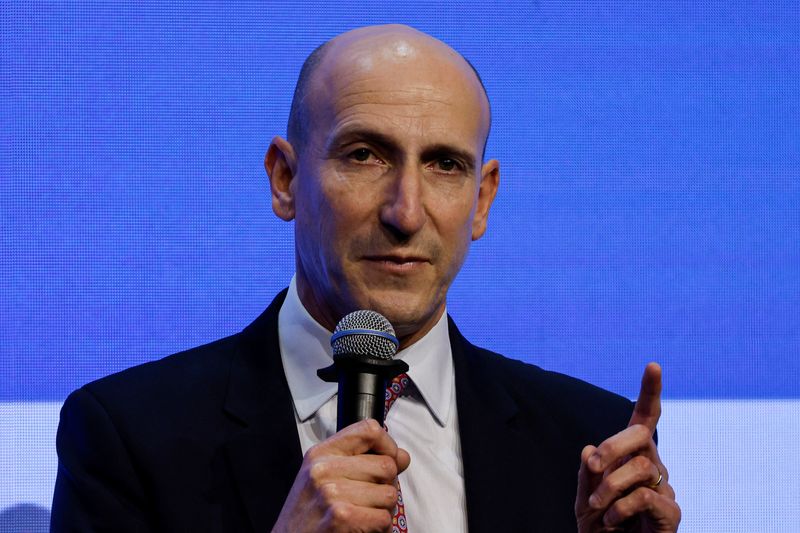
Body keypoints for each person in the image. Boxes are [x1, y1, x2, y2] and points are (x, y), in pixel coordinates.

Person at [51, 24, 681, 532]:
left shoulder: (588, 440)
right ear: (285, 179)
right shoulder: (128, 436)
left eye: (444, 164)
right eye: (364, 155)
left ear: (482, 201)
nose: (405, 211)